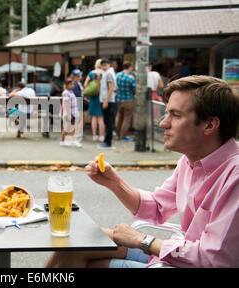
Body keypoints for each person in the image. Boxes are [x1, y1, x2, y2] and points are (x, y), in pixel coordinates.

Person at [45, 75, 239, 268]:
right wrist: (114, 183)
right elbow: (156, 207)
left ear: (210, 125)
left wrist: (142, 240)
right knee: (75, 242)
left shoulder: (234, 176)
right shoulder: (190, 160)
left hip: (194, 263)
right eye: (166, 113)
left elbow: (214, 259)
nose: (163, 123)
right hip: (178, 256)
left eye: (176, 115)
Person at [84, 59, 105, 142]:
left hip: (93, 97)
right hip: (102, 96)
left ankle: (94, 136)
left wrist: (91, 86)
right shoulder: (104, 73)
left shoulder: (91, 73)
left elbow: (85, 84)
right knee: (101, 118)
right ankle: (102, 136)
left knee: (93, 118)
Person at [97, 59, 117, 149]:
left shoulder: (109, 74)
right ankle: (106, 140)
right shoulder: (105, 74)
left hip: (108, 101)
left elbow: (111, 88)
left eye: (105, 65)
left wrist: (106, 101)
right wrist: (98, 80)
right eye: (102, 65)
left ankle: (108, 141)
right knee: (106, 121)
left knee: (108, 122)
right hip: (105, 100)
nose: (104, 67)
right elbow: (100, 89)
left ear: (109, 65)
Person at [115, 62, 136, 141]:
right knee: (126, 119)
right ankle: (122, 136)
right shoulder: (130, 78)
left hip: (119, 99)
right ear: (130, 67)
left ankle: (117, 134)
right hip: (128, 99)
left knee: (120, 117)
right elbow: (135, 89)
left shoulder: (117, 75)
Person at [60, 79, 82, 148]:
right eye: (71, 84)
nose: (73, 86)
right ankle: (65, 141)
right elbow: (66, 104)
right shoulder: (66, 93)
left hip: (73, 113)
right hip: (68, 114)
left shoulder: (71, 92)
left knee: (71, 127)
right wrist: (69, 115)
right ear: (67, 85)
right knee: (66, 128)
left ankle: (71, 141)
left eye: (73, 84)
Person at [71, 69, 85, 142]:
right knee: (78, 119)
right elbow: (77, 95)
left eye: (79, 75)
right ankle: (77, 134)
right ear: (74, 76)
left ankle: (78, 133)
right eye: (77, 76)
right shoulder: (75, 84)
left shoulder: (78, 83)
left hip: (79, 101)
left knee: (79, 118)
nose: (79, 77)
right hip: (77, 102)